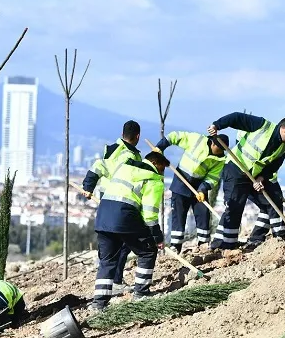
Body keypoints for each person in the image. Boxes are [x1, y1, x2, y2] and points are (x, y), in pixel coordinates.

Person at [206, 113, 285, 250]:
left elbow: (273, 167)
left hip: (253, 176)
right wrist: (217, 125)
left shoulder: (283, 148)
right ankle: (225, 245)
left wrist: (261, 179)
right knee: (235, 206)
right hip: (235, 170)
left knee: (271, 201)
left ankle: (271, 239)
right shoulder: (262, 126)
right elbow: (237, 118)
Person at [89, 151, 170, 312]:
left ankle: (99, 304)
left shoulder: (124, 167)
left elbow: (100, 166)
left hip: (103, 215)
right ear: (154, 163)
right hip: (124, 217)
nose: (162, 173)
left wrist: (88, 184)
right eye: (162, 169)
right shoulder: (154, 181)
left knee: (107, 260)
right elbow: (149, 215)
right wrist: (157, 238)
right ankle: (141, 293)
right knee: (147, 251)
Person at [82, 121, 142, 294]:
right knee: (124, 242)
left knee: (114, 242)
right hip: (119, 202)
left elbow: (98, 167)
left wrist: (88, 186)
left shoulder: (115, 150)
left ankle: (111, 282)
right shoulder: (126, 155)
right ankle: (114, 282)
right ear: (137, 136)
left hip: (109, 201)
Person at [154, 131, 227, 252]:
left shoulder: (221, 159)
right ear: (213, 144)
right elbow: (175, 136)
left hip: (198, 186)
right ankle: (175, 246)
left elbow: (213, 177)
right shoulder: (197, 140)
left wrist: (203, 189)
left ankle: (203, 244)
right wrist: (160, 146)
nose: (221, 153)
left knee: (203, 213)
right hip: (181, 180)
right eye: (219, 149)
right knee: (178, 214)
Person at [244, 174, 285, 247]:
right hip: (256, 180)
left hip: (256, 180)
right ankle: (279, 237)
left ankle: (256, 238)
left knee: (266, 208)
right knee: (274, 204)